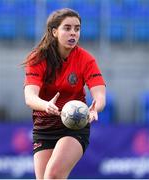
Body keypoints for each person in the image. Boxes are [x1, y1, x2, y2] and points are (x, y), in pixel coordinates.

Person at [23, 8, 106, 179]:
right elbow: (30, 97)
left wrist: (95, 108)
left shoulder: (86, 59)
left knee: (53, 175)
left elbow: (99, 94)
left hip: (74, 126)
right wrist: (46, 105)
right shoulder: (37, 58)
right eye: (67, 28)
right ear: (54, 31)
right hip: (44, 126)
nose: (73, 33)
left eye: (77, 28)